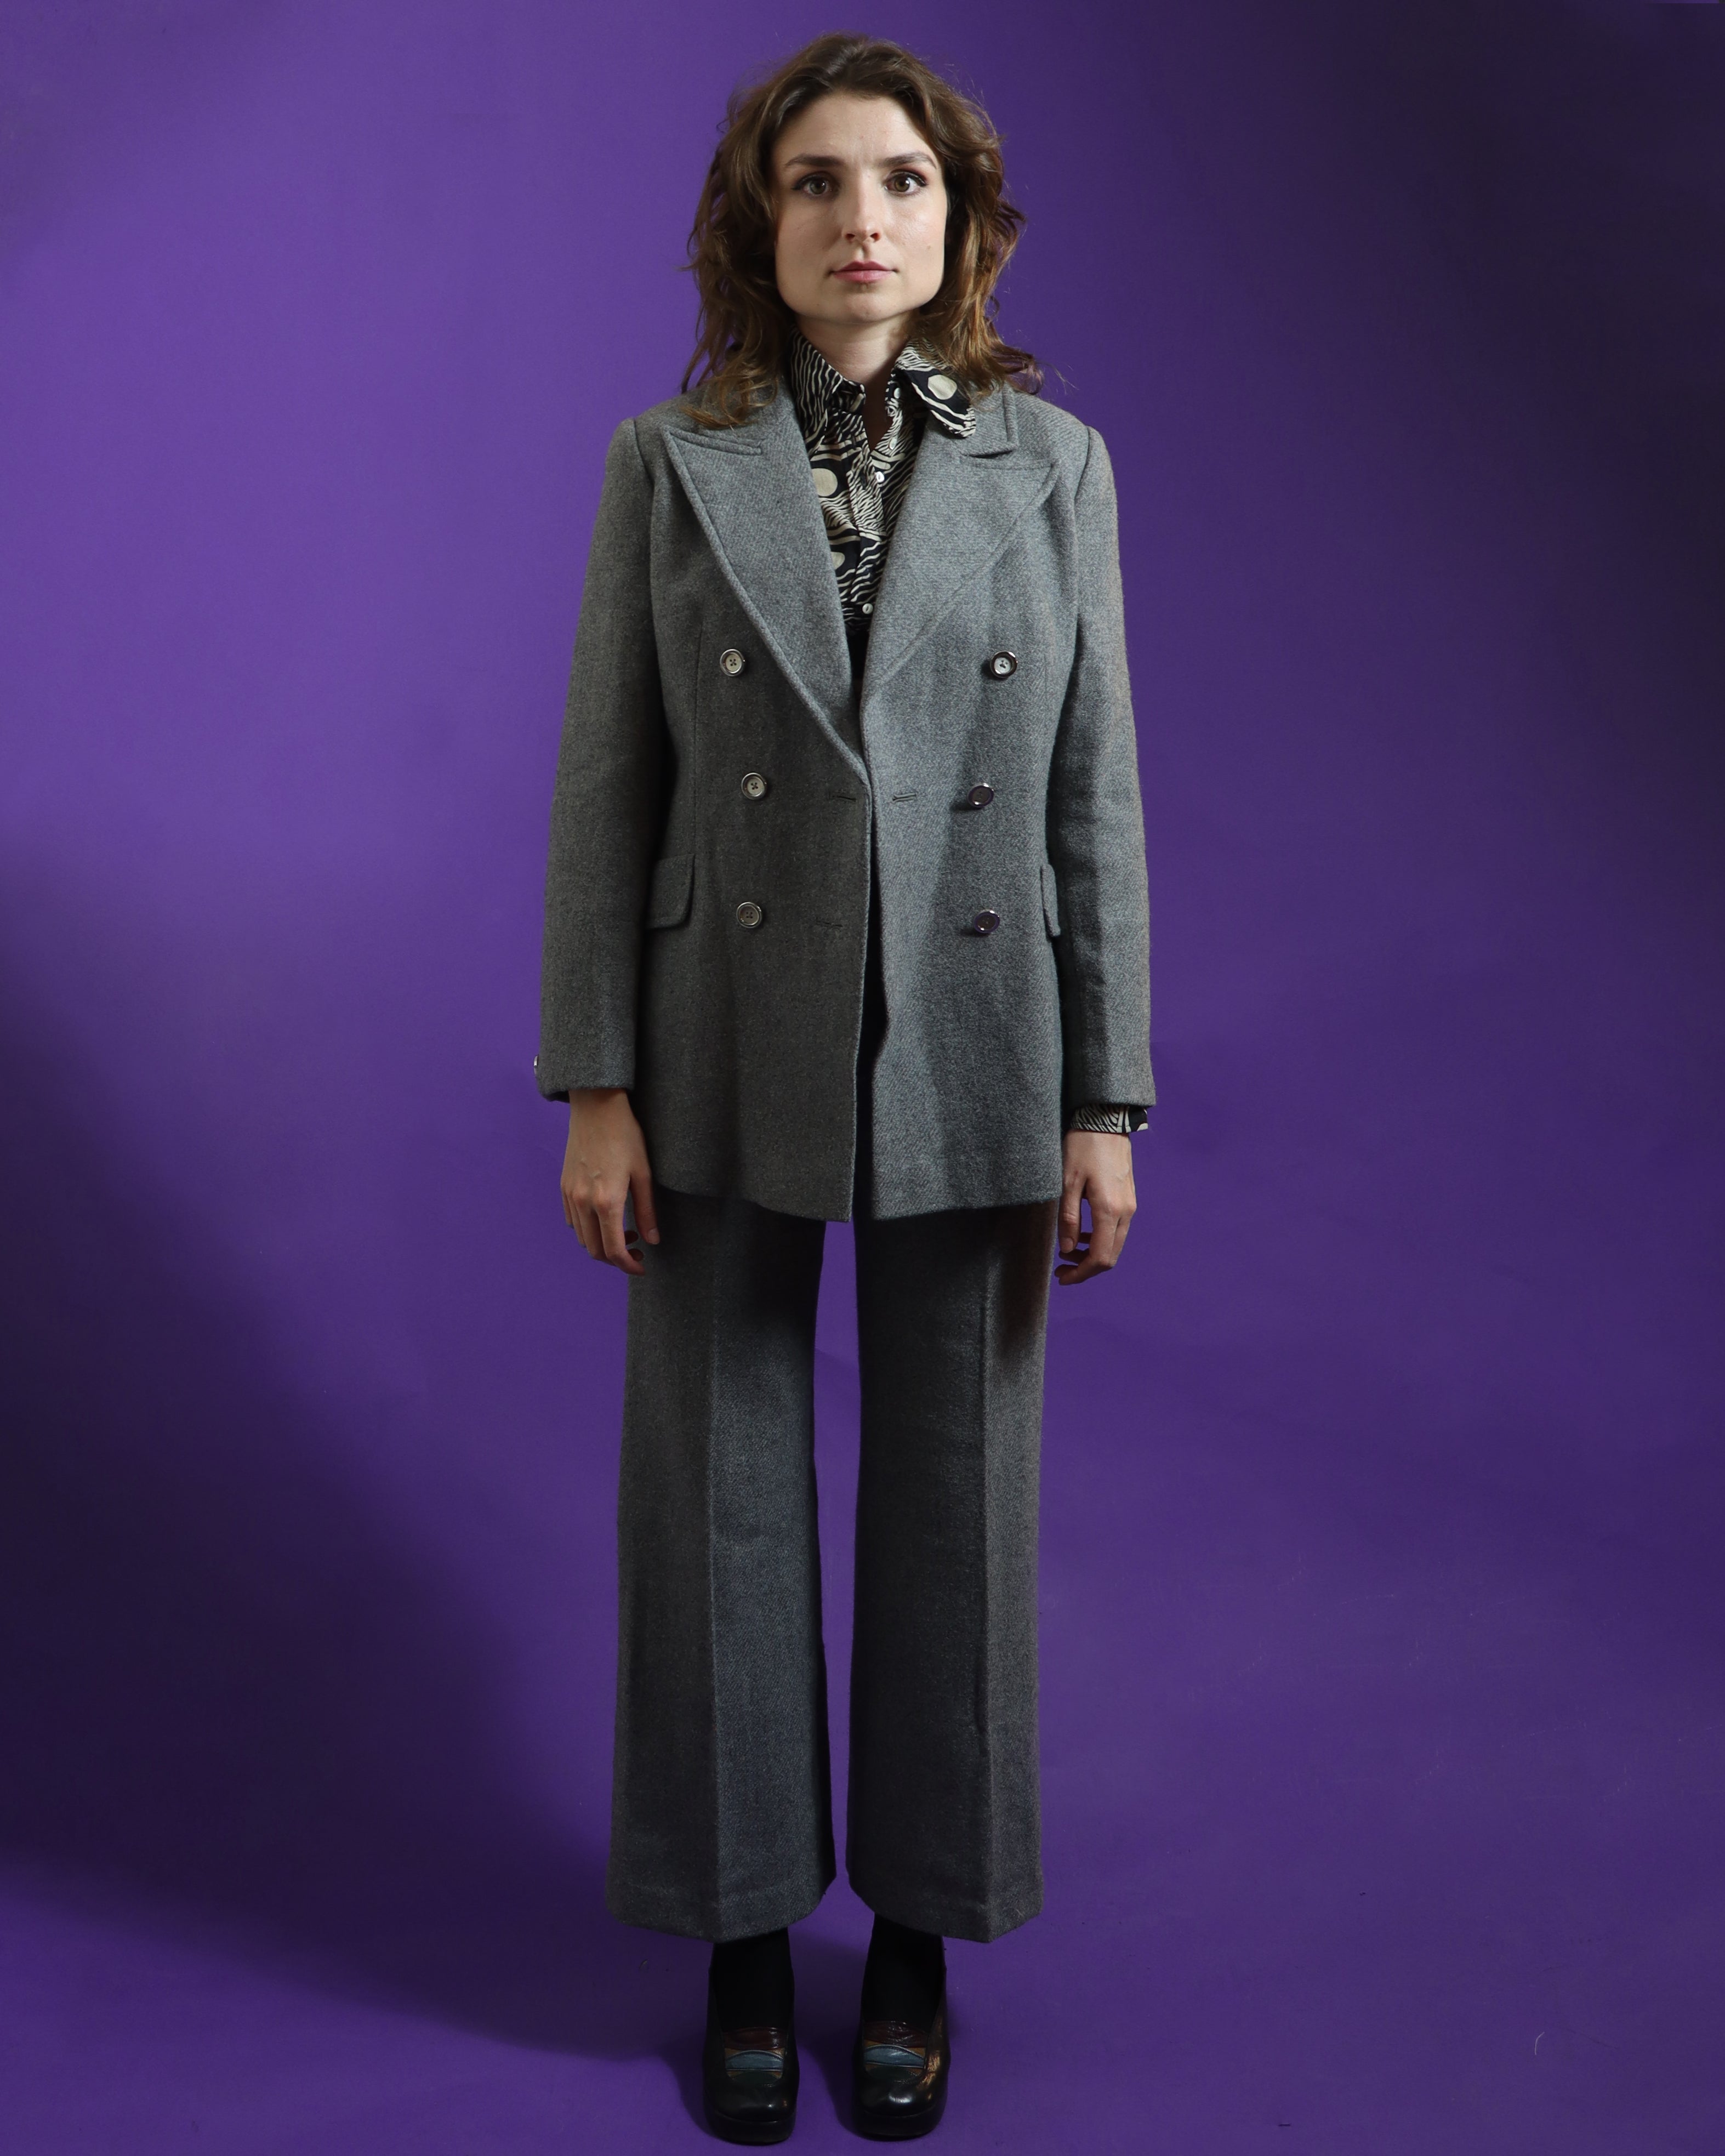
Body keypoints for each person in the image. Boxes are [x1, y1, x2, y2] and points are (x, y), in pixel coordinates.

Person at [536, 32, 1152, 2143]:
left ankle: (911, 1937)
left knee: (959, 1493)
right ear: (760, 218)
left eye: (901, 179)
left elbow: (1091, 796)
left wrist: (1104, 1098)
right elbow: (604, 789)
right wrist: (593, 1083)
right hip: (721, 1026)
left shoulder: (1052, 465)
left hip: (979, 1028)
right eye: (815, 180)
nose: (859, 217)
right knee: (710, 1486)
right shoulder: (669, 458)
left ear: (958, 222)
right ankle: (735, 1932)